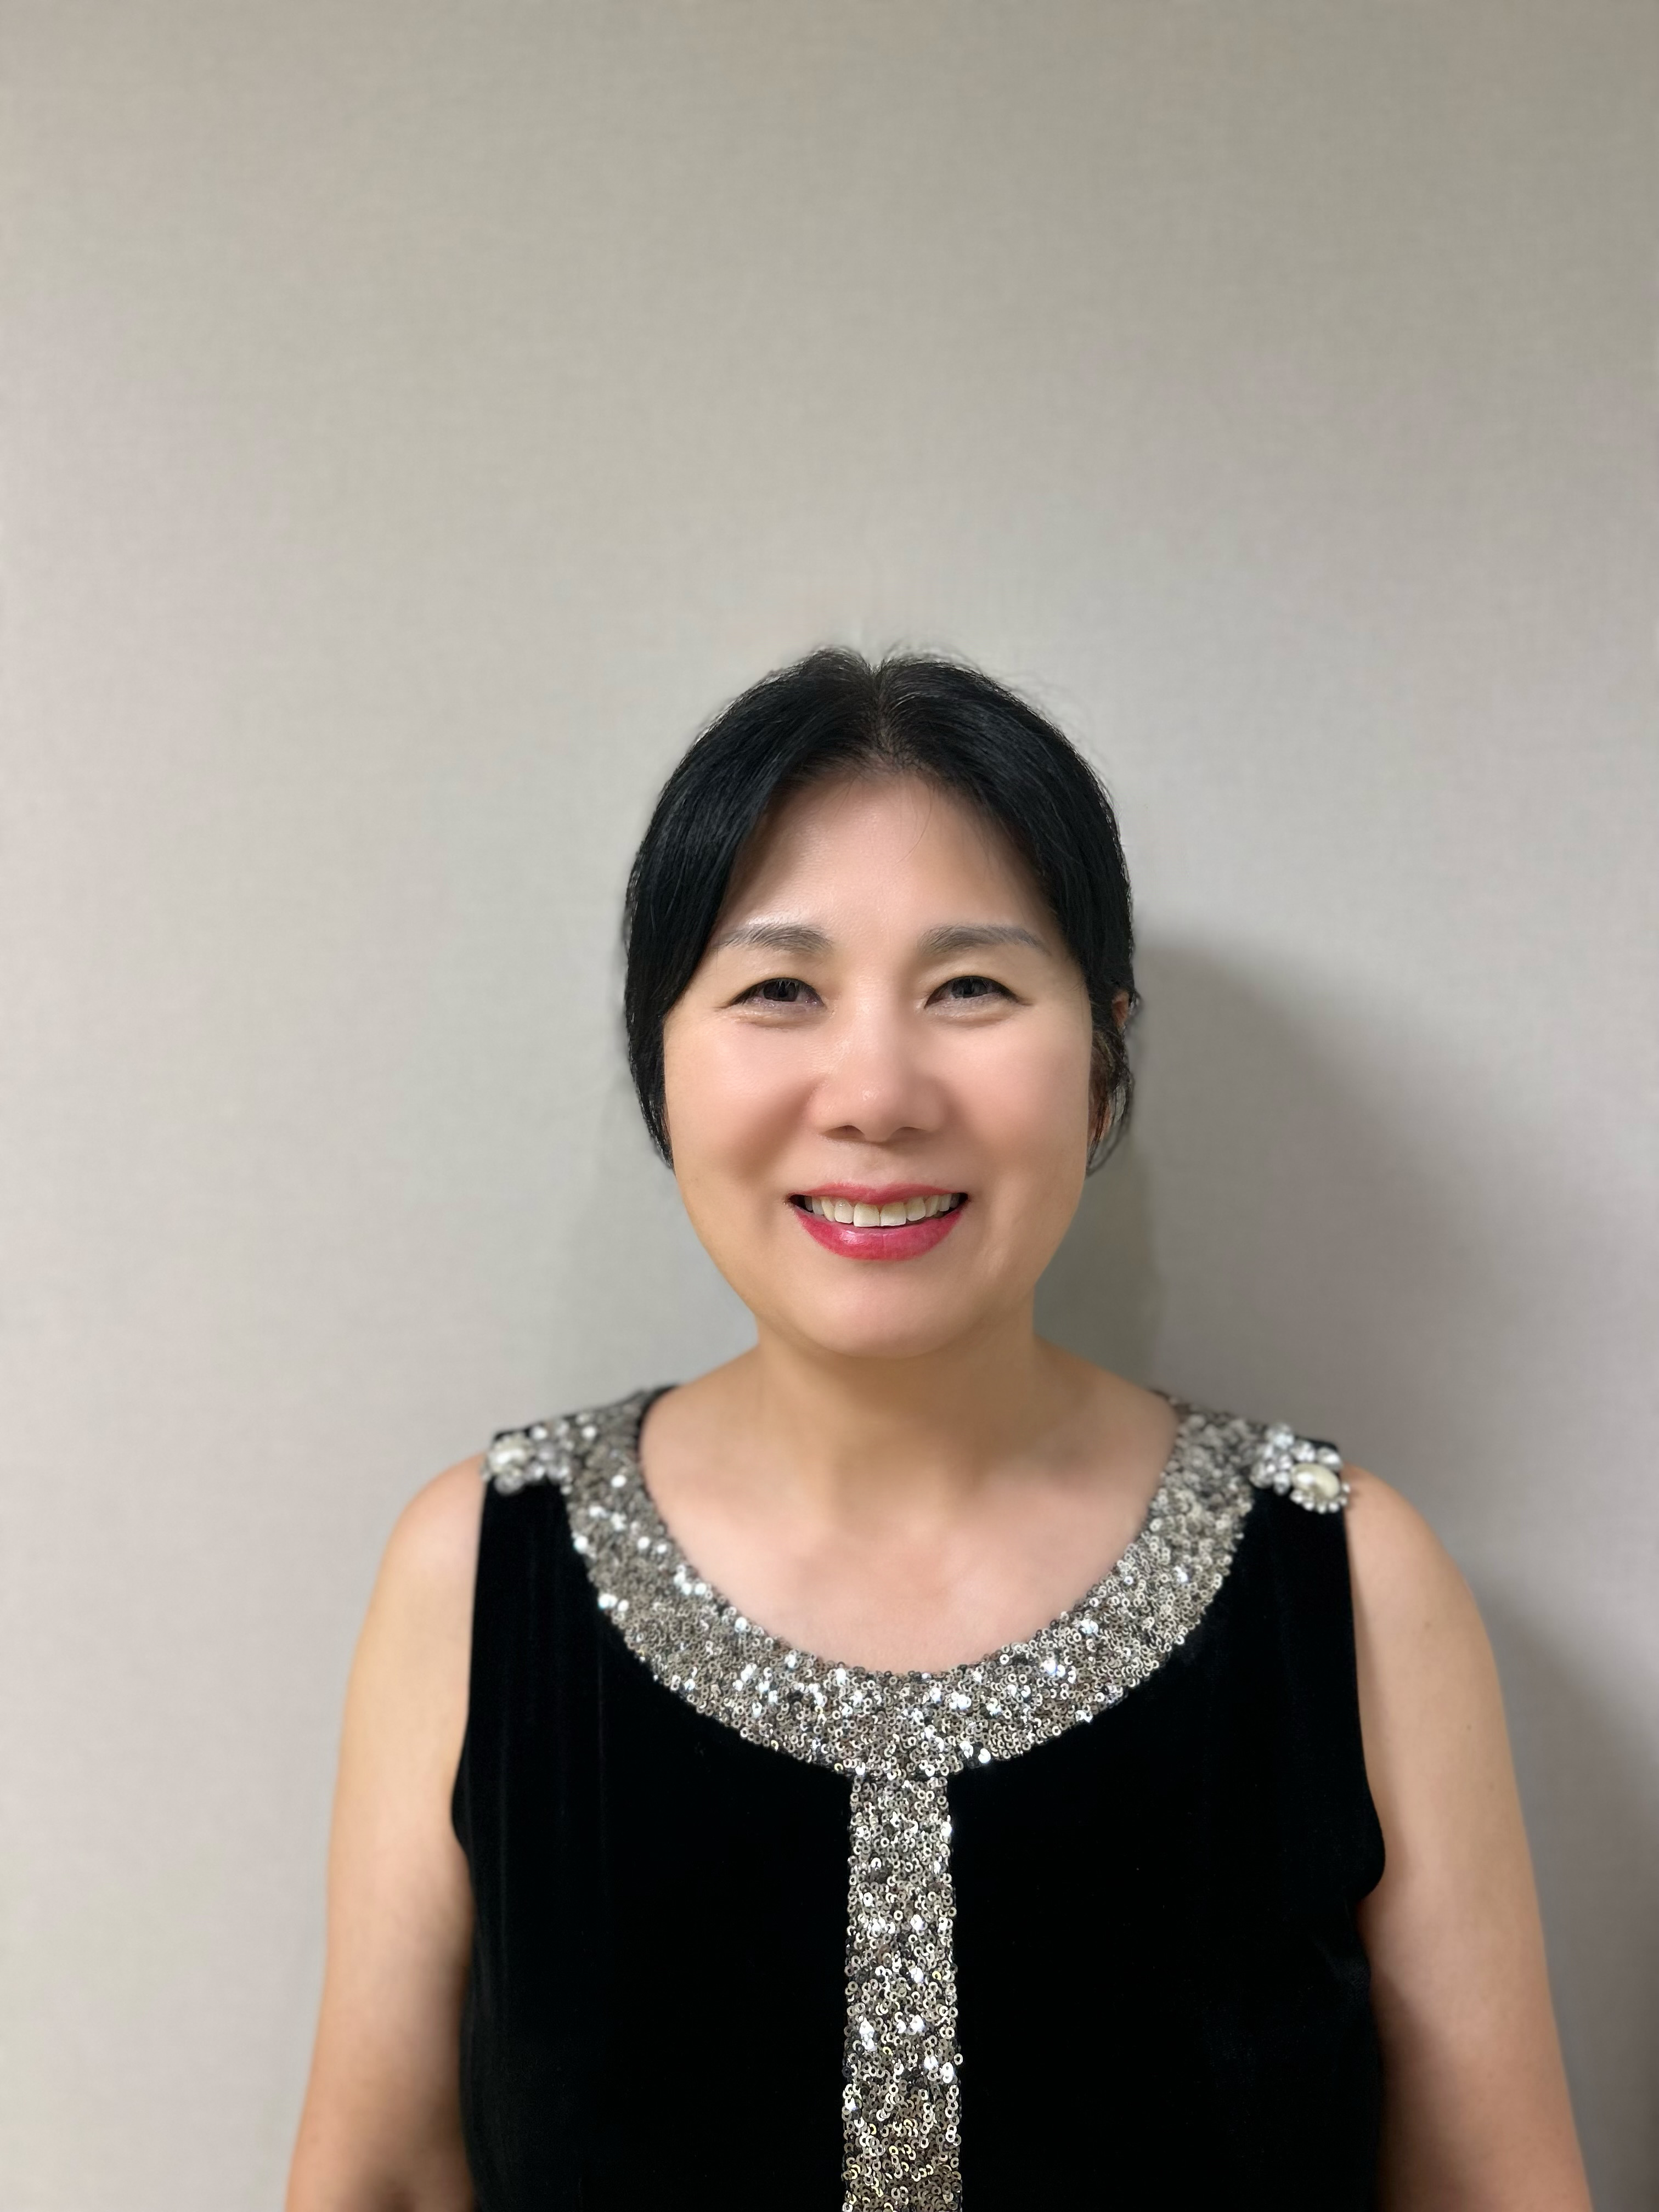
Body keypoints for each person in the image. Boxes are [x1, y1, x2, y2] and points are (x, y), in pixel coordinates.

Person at [286, 650, 1592, 2211]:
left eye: (971, 987)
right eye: (779, 990)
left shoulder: (1349, 1584)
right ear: (658, 1059)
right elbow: (380, 2175)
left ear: (1102, 1062)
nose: (877, 1094)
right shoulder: (480, 1573)